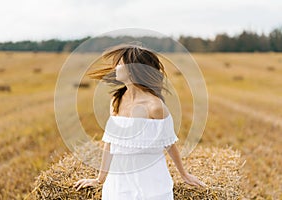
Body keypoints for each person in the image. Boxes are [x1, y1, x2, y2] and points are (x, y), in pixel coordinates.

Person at [74, 44, 206, 199]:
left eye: (120, 64)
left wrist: (184, 175)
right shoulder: (116, 101)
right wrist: (99, 179)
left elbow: (169, 143)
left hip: (152, 186)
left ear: (133, 69)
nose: (115, 68)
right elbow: (109, 144)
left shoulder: (155, 107)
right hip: (118, 186)